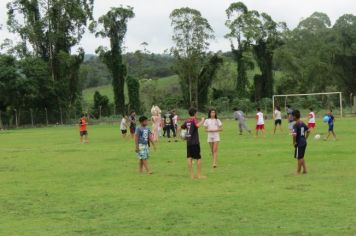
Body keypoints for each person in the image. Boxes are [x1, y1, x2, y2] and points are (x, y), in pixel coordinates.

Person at [181, 108, 205, 179]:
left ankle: (192, 175)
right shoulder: (193, 119)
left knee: (189, 158)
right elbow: (197, 125)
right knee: (198, 158)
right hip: (195, 142)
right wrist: (202, 120)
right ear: (194, 113)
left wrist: (182, 136)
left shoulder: (187, 120)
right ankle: (199, 175)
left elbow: (181, 127)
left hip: (188, 142)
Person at [292, 110, 310, 175]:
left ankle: (298, 172)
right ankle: (305, 170)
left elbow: (294, 134)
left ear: (295, 116)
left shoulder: (295, 125)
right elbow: (308, 130)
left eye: (292, 116)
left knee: (299, 157)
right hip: (304, 142)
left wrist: (294, 142)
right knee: (301, 156)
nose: (291, 117)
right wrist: (305, 138)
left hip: (299, 143)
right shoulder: (302, 123)